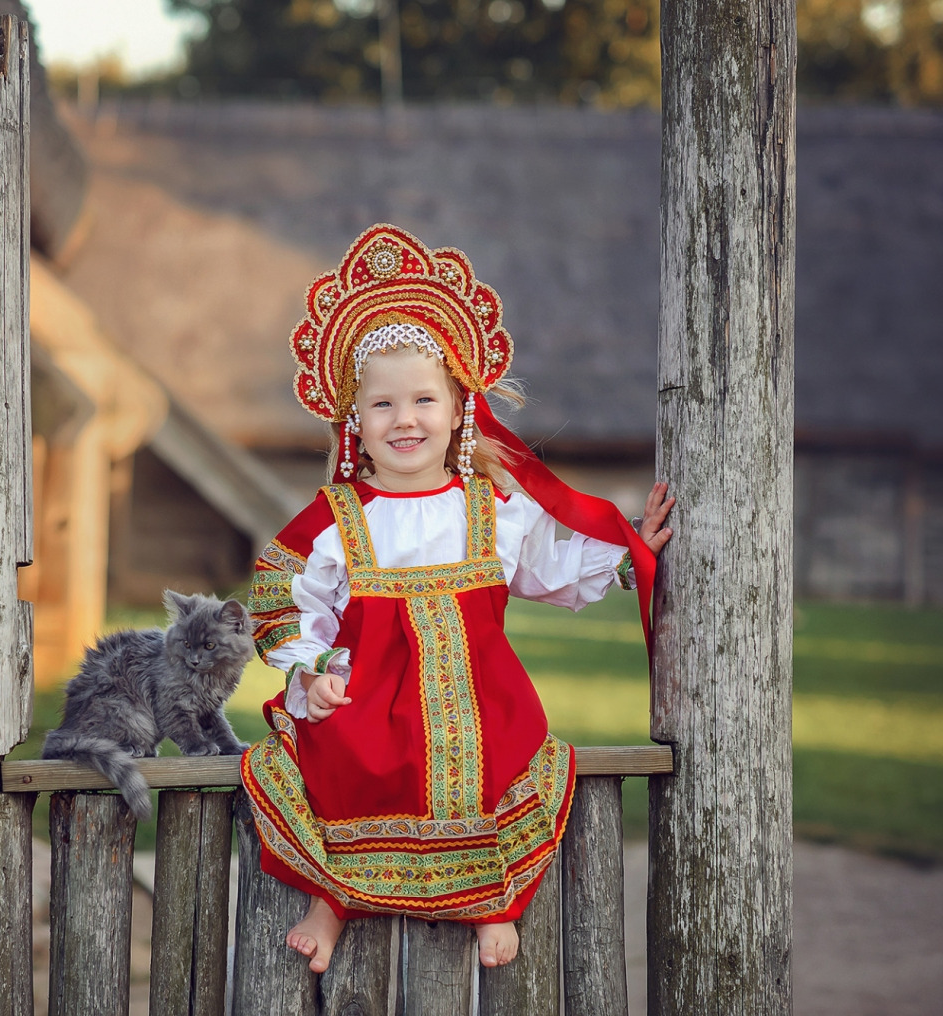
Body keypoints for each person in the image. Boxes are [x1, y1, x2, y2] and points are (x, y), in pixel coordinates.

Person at [241, 224, 673, 973]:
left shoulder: (493, 507)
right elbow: (284, 593)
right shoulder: (338, 518)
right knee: (341, 760)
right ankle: (332, 899)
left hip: (479, 702)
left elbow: (550, 568)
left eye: (422, 401)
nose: (404, 420)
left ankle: (489, 902)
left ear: (458, 408)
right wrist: (312, 669)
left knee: (492, 765)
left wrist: (629, 549)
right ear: (355, 423)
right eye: (381, 406)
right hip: (368, 700)